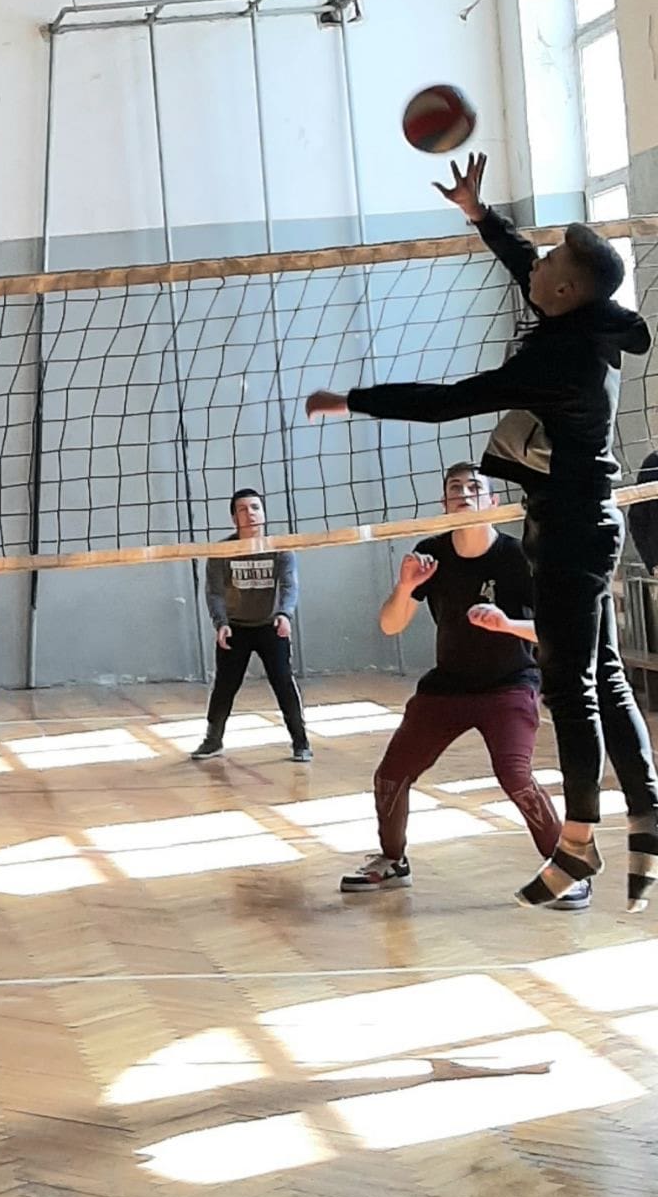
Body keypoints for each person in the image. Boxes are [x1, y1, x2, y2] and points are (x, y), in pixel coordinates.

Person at [307, 152, 658, 911]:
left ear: (564, 292)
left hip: (569, 531)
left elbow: (448, 402)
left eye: (551, 262)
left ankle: (577, 843)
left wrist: (352, 400)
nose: (537, 263)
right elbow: (528, 265)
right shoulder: (593, 319)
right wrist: (480, 215)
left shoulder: (557, 360)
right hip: (585, 521)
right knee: (604, 677)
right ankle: (647, 816)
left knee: (574, 690)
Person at [341, 464, 584, 906]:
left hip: (509, 685)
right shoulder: (430, 554)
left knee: (514, 774)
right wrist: (405, 587)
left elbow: (557, 631)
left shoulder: (519, 557)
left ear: (493, 502)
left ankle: (567, 868)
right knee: (390, 776)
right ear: (444, 503)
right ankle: (393, 861)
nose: (465, 494)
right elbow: (390, 625)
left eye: (475, 487)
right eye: (456, 488)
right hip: (447, 688)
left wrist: (507, 624)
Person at [190, 488, 312, 763]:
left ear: (264, 513)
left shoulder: (279, 549)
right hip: (235, 628)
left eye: (255, 507)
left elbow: (290, 585)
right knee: (224, 686)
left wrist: (285, 614)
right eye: (243, 509)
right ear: (235, 518)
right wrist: (220, 623)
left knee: (283, 682)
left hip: (271, 626)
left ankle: (301, 741)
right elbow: (214, 593)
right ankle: (213, 740)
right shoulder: (222, 551)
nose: (251, 514)